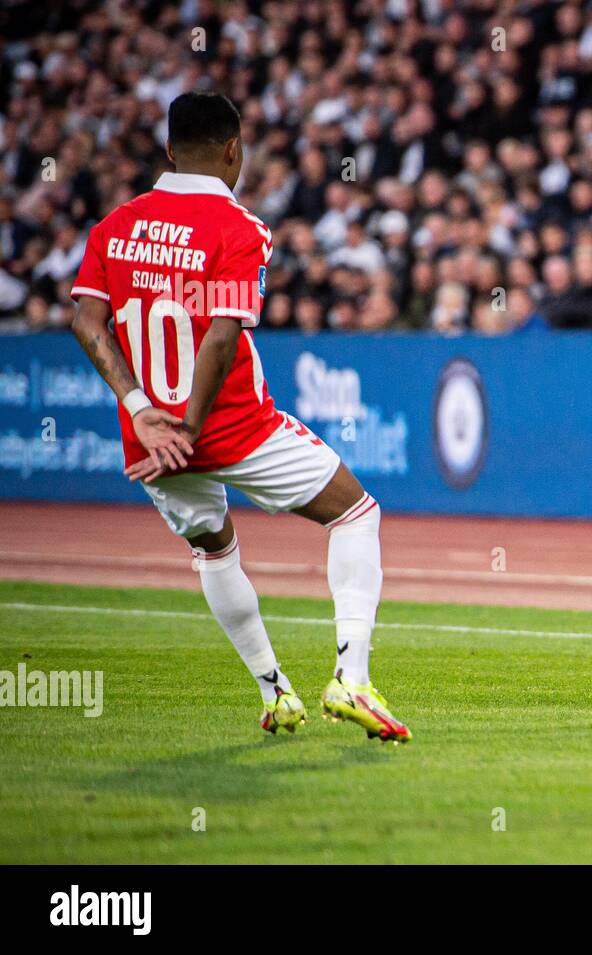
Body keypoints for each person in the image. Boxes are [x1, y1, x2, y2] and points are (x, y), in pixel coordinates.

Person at [68, 92, 410, 741]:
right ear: (234, 150)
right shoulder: (237, 228)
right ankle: (352, 678)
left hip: (151, 442)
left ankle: (275, 691)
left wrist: (143, 410)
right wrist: (193, 424)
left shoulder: (113, 227)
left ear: (169, 148)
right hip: (228, 426)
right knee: (356, 511)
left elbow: (87, 319)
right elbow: (222, 337)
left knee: (214, 550)